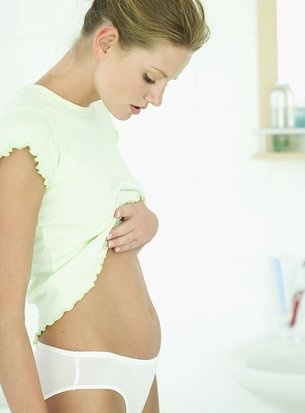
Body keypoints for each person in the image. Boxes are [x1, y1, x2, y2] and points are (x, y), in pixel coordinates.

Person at [0, 1, 209, 412]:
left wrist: (147, 222)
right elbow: (3, 317)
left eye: (167, 83)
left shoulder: (93, 114)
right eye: (151, 77)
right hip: (86, 376)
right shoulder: (31, 130)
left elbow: (83, 239)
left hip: (140, 374)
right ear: (107, 42)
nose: (157, 98)